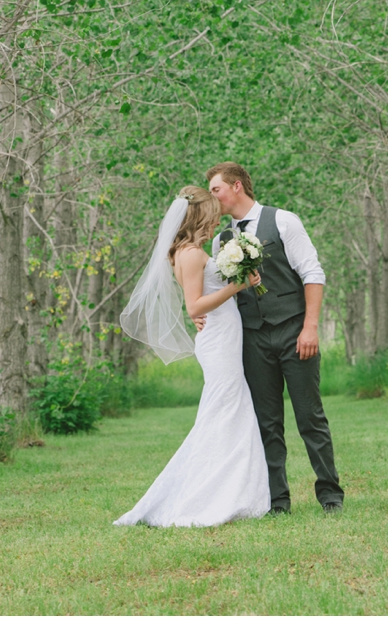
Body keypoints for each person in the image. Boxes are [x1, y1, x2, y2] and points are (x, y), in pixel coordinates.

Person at [113, 185, 270, 527]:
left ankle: (234, 490)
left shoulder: (186, 252)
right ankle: (216, 494)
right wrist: (238, 286)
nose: (216, 224)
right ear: (199, 216)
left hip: (222, 336)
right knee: (226, 408)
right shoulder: (191, 254)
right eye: (212, 218)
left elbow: (196, 303)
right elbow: (195, 305)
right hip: (218, 339)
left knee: (228, 407)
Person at [208, 161, 344, 516]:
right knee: (266, 422)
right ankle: (277, 501)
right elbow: (221, 294)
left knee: (309, 417)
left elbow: (313, 273)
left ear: (236, 187)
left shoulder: (284, 220)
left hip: (294, 331)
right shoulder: (220, 240)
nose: (212, 198)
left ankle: (330, 496)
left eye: (215, 190)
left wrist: (310, 327)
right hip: (252, 339)